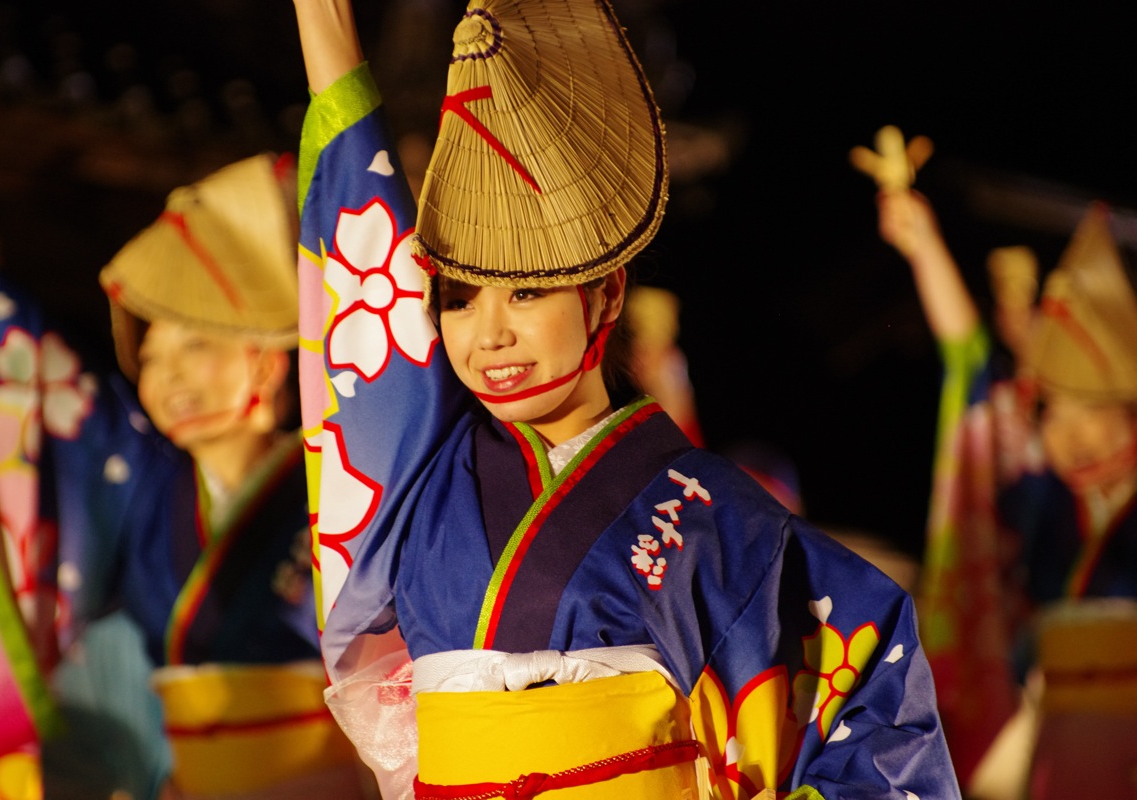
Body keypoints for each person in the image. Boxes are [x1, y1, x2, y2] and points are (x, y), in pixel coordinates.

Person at [291, 1, 959, 798]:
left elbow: (869, 688)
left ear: (606, 298)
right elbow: (365, 286)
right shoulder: (418, 475)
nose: (488, 335)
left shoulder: (717, 513)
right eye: (460, 300)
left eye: (529, 293)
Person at [0, 155, 368, 799]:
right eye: (151, 357)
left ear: (268, 363)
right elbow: (28, 343)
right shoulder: (141, 481)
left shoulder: (342, 477)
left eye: (194, 346)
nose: (166, 379)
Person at [862, 129, 1137, 797]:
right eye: (1055, 414)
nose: (1068, 436)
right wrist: (925, 249)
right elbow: (972, 368)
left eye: (1087, 412)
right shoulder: (1040, 494)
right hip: (1055, 739)